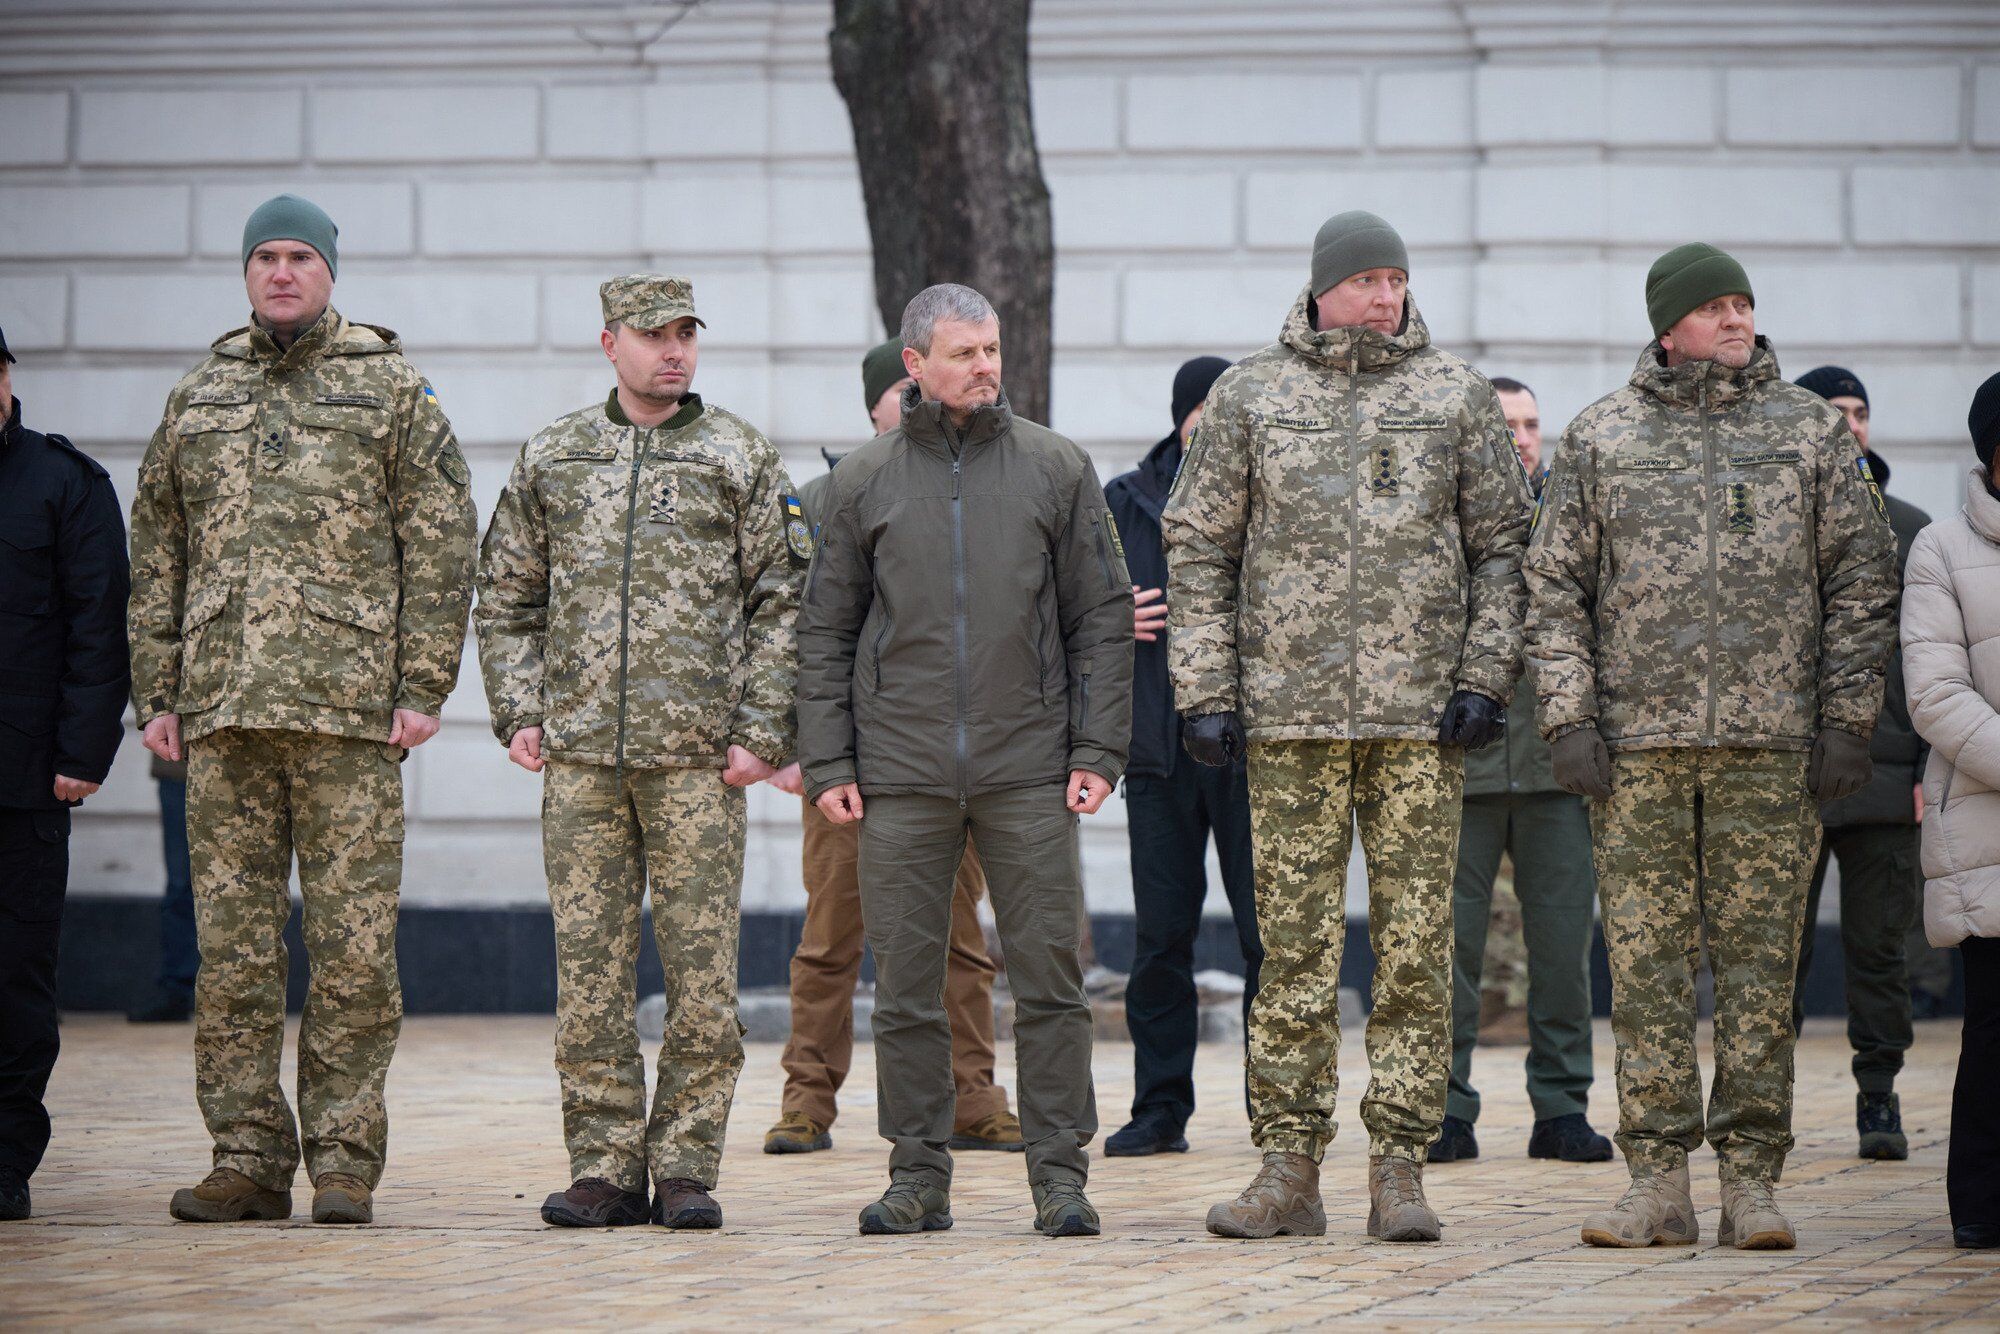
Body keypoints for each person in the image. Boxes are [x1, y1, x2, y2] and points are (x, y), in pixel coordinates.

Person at [1169, 211, 1531, 1242]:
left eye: (1395, 279)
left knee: (1416, 946)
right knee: (1291, 949)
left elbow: (1505, 543)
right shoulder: (1250, 394)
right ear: (1322, 287)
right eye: (1366, 278)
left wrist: (1482, 675)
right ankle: (1287, 1165)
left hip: (1422, 724)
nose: (1384, 296)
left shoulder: (1451, 395)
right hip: (1287, 723)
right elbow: (1196, 546)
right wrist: (1205, 689)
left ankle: (1400, 1166)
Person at [1527, 244, 1897, 1250]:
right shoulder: (1601, 435)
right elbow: (1552, 586)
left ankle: (1749, 1180)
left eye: (1743, 303)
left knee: (1757, 972)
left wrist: (1843, 720)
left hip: (1769, 750)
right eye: (1713, 306)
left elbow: (1861, 583)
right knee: (1643, 970)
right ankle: (1653, 1179)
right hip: (1636, 753)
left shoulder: (1806, 433)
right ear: (1667, 325)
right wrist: (1566, 717)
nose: (1735, 320)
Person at [128, 195, 477, 1227]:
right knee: (231, 957)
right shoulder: (200, 393)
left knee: (354, 953)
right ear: (246, 271)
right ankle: (245, 1152)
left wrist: (421, 685)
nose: (282, 272)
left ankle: (341, 1156)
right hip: (224, 717)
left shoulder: (390, 389)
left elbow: (442, 538)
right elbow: (158, 549)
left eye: (300, 257)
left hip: (347, 719)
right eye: (266, 257)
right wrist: (159, 691)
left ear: (329, 270)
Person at [797, 283, 1132, 1239]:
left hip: (1029, 769)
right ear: (914, 364)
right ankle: (916, 1178)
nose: (985, 367)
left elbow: (1101, 621)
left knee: (1050, 984)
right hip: (897, 775)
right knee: (903, 988)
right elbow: (823, 633)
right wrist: (831, 764)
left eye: (992, 349)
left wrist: (1098, 748)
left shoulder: (1056, 468)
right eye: (963, 353)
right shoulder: (863, 481)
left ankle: (1061, 1177)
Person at [476, 274, 800, 1230]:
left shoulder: (736, 453)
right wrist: (519, 710)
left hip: (698, 762)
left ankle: (688, 1166)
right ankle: (605, 1165)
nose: (674, 351)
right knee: (591, 976)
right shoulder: (556, 457)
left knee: (702, 976)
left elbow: (784, 601)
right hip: (579, 759)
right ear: (608, 342)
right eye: (653, 335)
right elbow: (505, 599)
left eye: (686, 334)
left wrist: (760, 732)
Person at [762, 337, 1022, 1157]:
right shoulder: (823, 498)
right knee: (832, 941)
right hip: (846, 766)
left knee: (959, 945)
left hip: (947, 766)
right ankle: (807, 1101)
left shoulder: (977, 489)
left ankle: (972, 1097)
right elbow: (789, 634)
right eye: (896, 400)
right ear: (880, 401)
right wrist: (795, 747)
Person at [1436, 376, 1609, 1166]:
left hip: (1553, 769)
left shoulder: (1574, 521)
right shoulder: (1444, 517)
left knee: (1565, 950)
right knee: (1447, 952)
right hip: (1460, 767)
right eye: (1508, 424)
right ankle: (1443, 1109)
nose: (1524, 437)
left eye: (1533, 423)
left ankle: (1562, 1108)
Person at [1102, 354, 1262, 1158]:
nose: (1214, 423)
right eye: (1205, 408)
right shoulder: (1123, 502)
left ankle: (1279, 1111)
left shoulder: (1275, 492)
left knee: (1268, 938)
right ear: (1180, 416)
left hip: (1254, 757)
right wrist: (1109, 616)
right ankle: (1160, 1107)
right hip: (1160, 758)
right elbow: (1067, 605)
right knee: (1160, 941)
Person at [0, 324, 130, 1222]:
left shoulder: (61, 483)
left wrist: (82, 757)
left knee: (14, 976)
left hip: (22, 781)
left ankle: (5, 1160)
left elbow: (99, 626)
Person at [1789, 366, 1929, 1161]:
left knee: (1880, 949)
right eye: (1831, 413)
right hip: (1792, 777)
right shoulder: (1771, 522)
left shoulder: (1911, 528)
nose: (1850, 425)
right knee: (1778, 953)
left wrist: (1926, 770)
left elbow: (1937, 660)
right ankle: (1762, 1101)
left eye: (1860, 411)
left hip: (1885, 775)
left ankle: (1879, 1096)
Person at [1904, 374, 2000, 1250]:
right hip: (1986, 820)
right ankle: (1982, 1205)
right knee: (1995, 1025)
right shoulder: (1940, 549)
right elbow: (1935, 694)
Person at [127, 753, 198, 1023]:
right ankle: (176, 989)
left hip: (241, 769)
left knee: (248, 882)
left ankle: (244, 991)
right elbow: (147, 708)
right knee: (181, 884)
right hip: (180, 766)